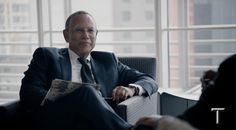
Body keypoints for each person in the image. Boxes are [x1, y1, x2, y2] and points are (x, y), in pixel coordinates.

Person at [19, 10, 158, 130]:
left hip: (96, 124)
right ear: (66, 35)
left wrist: (131, 89)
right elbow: (28, 93)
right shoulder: (46, 56)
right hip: (55, 120)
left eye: (90, 30)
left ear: (96, 34)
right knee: (86, 91)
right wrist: (73, 95)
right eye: (79, 30)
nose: (86, 35)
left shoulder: (108, 61)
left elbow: (149, 80)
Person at [133, 54, 235, 130]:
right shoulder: (229, 67)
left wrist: (160, 122)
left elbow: (149, 80)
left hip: (195, 122)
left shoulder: (230, 66)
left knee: (144, 125)